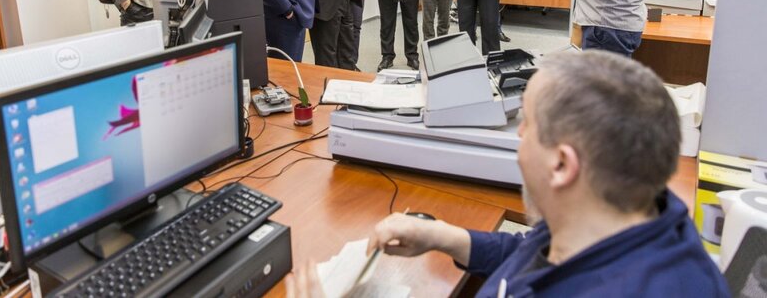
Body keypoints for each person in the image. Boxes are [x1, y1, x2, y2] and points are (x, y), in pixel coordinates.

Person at [286, 51, 731, 298]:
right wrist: (445, 237)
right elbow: (532, 251)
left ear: (562, 165)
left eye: (527, 125)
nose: (517, 134)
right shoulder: (621, 219)